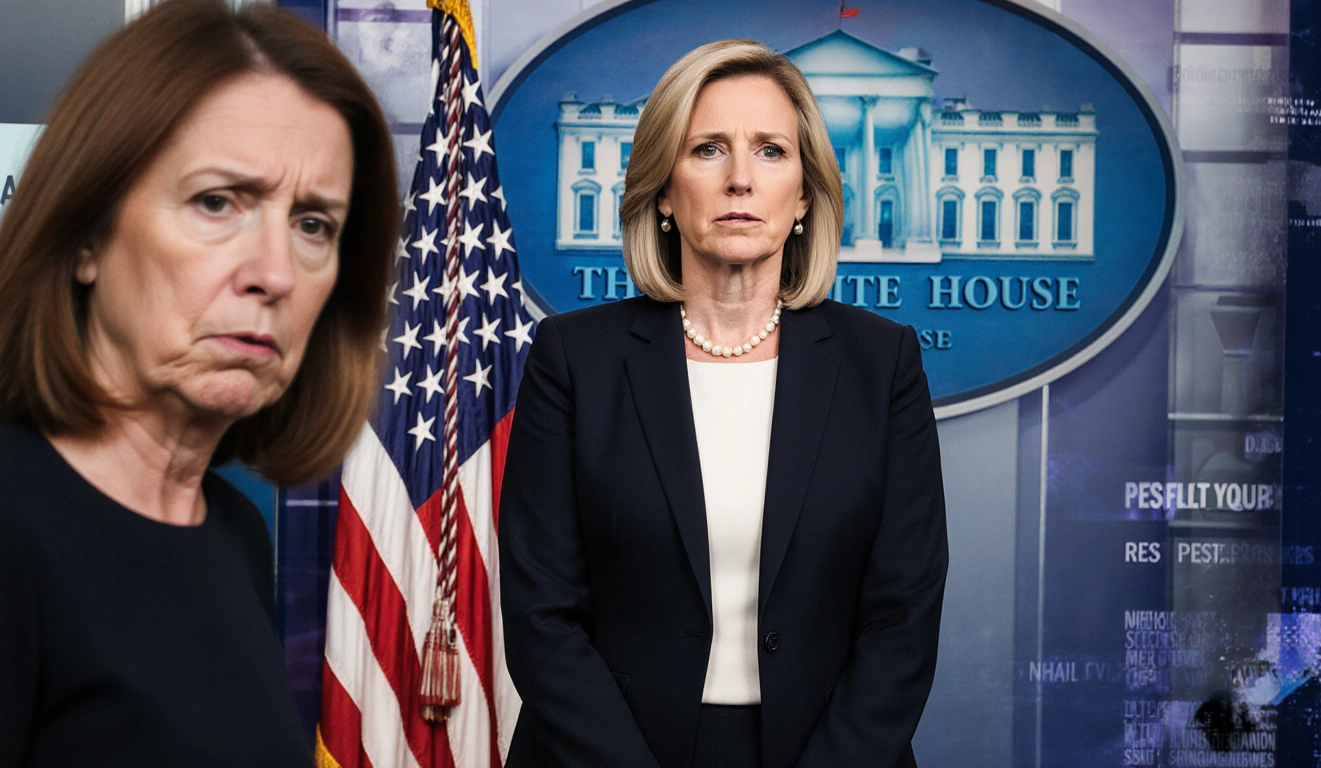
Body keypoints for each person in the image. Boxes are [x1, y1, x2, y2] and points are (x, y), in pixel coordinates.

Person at [499, 38, 948, 768]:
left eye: (771, 151)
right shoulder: (574, 359)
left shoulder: (881, 363)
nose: (741, 179)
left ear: (804, 194)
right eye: (708, 149)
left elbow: (903, 617)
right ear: (665, 191)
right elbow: (541, 615)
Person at [0, 1, 397, 765]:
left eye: (314, 224)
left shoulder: (230, 531)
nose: (275, 274)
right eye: (218, 202)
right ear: (86, 233)